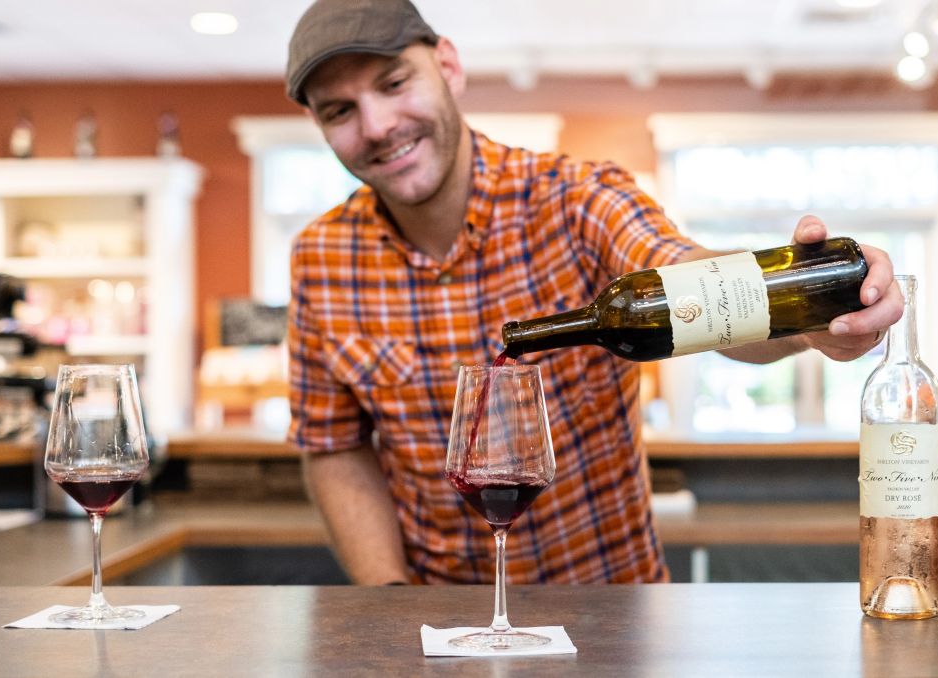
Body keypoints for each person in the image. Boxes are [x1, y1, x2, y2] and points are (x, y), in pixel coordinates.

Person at [284, 0, 902, 585]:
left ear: (448, 65)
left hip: (615, 625)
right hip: (436, 628)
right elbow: (334, 448)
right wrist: (386, 595)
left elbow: (681, 277)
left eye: (394, 84)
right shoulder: (320, 257)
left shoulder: (577, 198)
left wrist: (801, 318)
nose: (378, 125)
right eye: (339, 111)